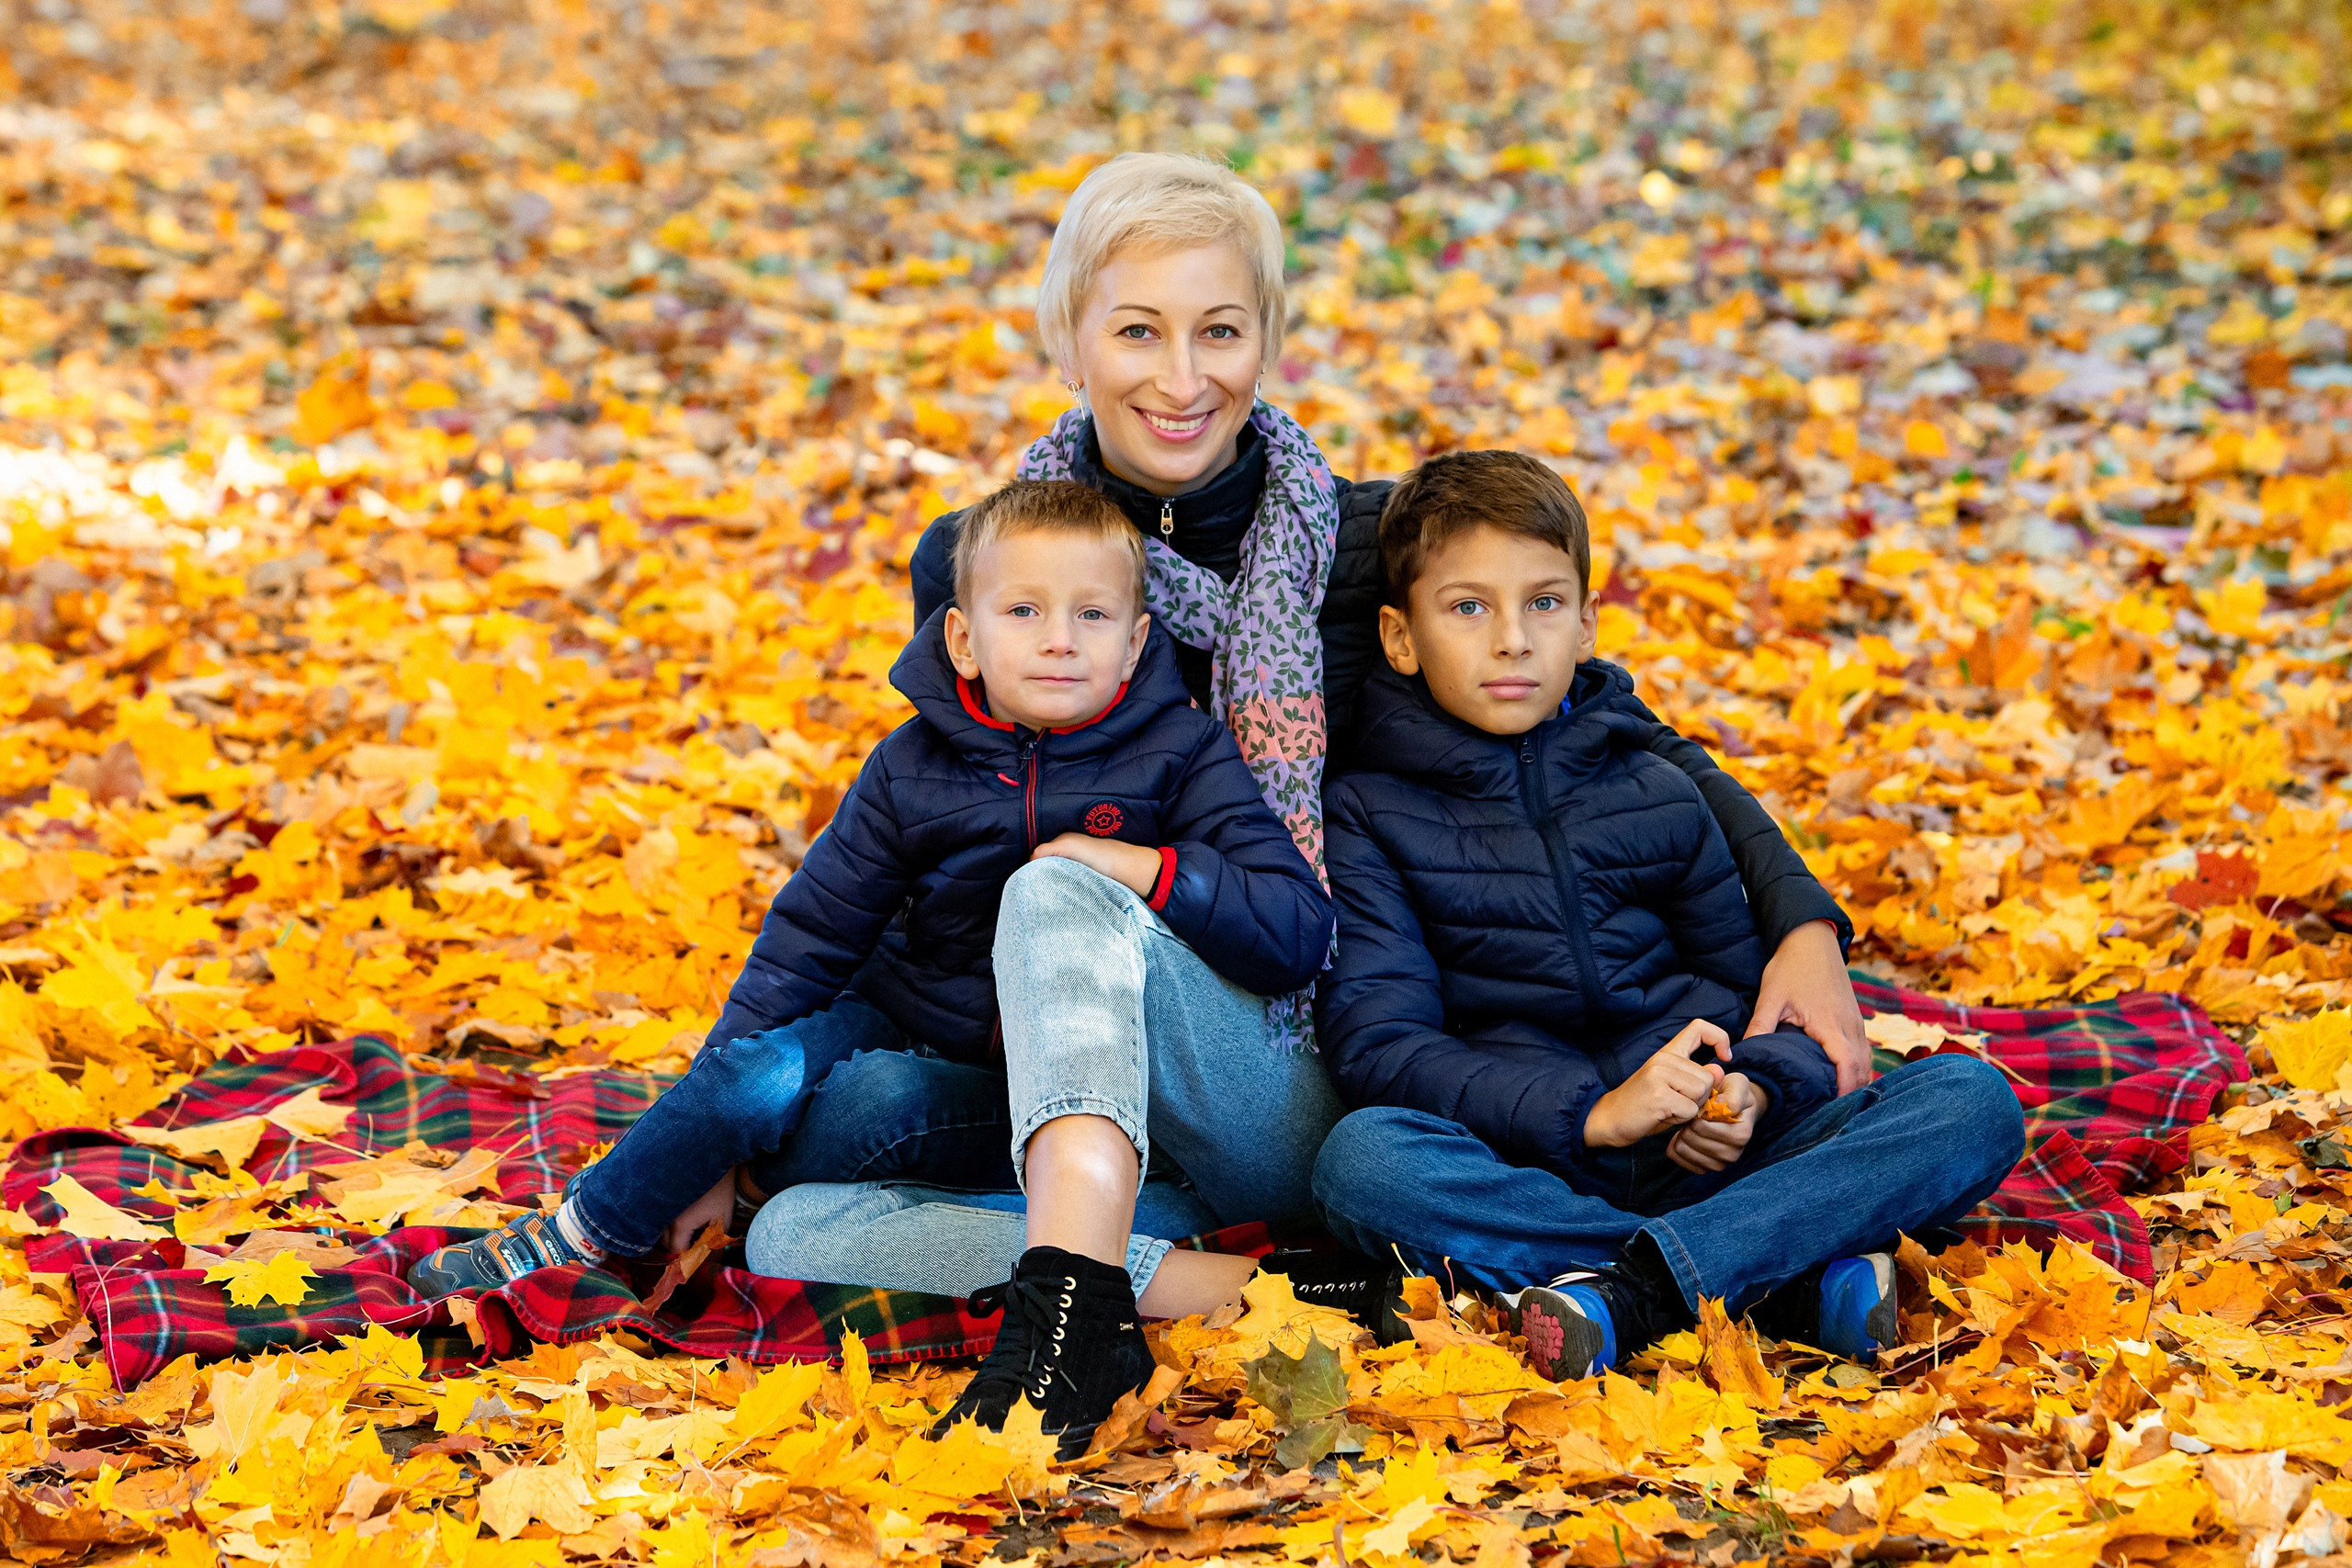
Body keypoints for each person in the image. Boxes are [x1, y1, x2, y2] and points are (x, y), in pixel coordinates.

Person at [410, 481, 1335, 1456]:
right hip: (952, 1081)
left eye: (1092, 615)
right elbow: (809, 941)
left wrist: (1145, 870)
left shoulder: (1180, 754)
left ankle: (1121, 1297)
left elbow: (1291, 929)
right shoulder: (911, 767)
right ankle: (584, 1232)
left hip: (1117, 1120)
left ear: (1138, 643)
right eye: (1024, 612)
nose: (1060, 639)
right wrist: (708, 1150)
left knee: (975, 979)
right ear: (964, 641)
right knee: (781, 1197)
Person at [1308, 451, 2028, 1380]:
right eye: (1467, 608)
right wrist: (1593, 1118)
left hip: (1720, 1154)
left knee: (1971, 1103)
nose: (1512, 640)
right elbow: (1382, 1043)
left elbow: (1748, 990)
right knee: (1362, 1164)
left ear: (1586, 625)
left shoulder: (1653, 786)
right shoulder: (1368, 812)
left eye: (1543, 603)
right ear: (1400, 639)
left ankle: (1633, 1286)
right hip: (1535, 1162)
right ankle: (1775, 1280)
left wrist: (1754, 1089)